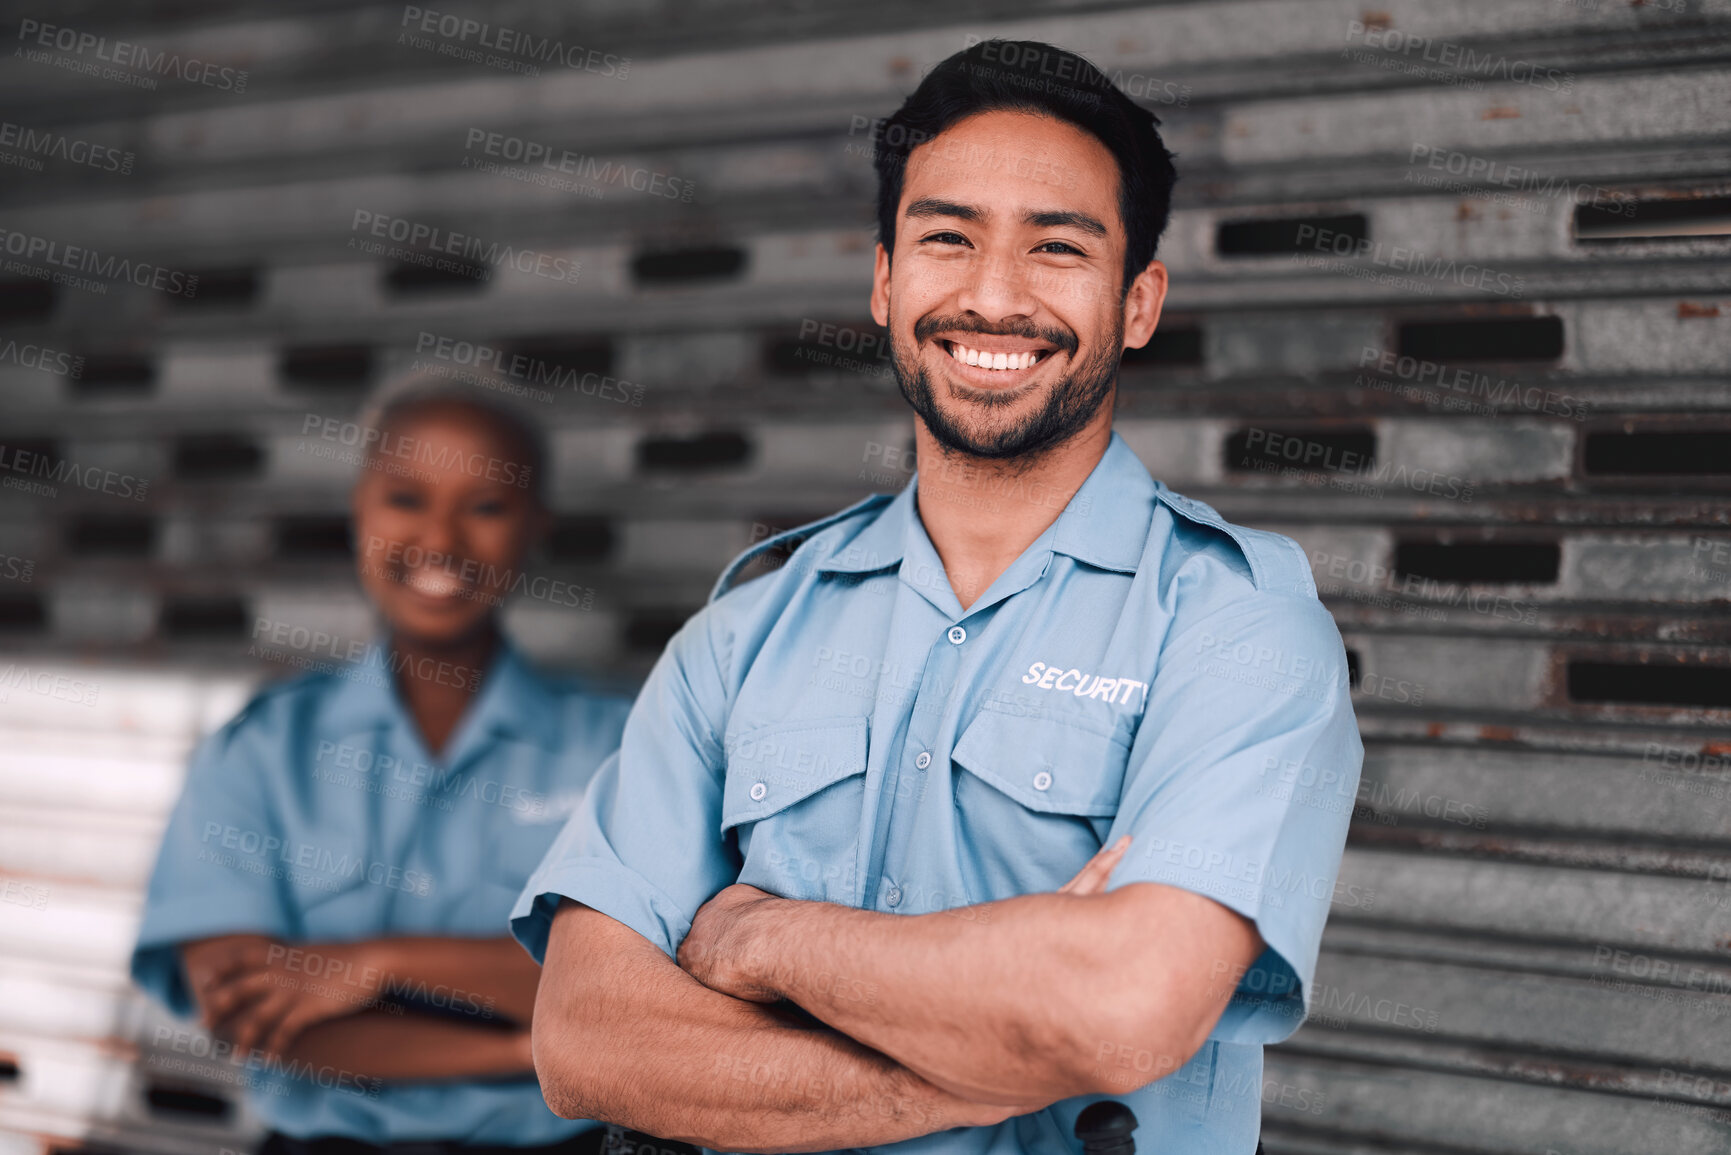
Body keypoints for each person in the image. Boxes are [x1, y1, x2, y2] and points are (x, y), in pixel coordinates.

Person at [515, 39, 1362, 1155]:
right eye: (947, 238)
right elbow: (587, 1043)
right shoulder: (744, 633)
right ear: (884, 279)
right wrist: (993, 1063)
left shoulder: (1238, 630)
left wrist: (763, 939)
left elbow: (1122, 1009)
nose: (993, 296)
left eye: (1058, 247)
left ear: (1140, 300)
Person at [132, 373, 630, 1155]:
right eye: (406, 498)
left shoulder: (620, 746)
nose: (440, 539)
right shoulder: (263, 748)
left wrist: (375, 964)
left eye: (487, 505)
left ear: (535, 526)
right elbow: (249, 1010)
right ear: (358, 508)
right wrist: (525, 1047)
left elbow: (637, 993)